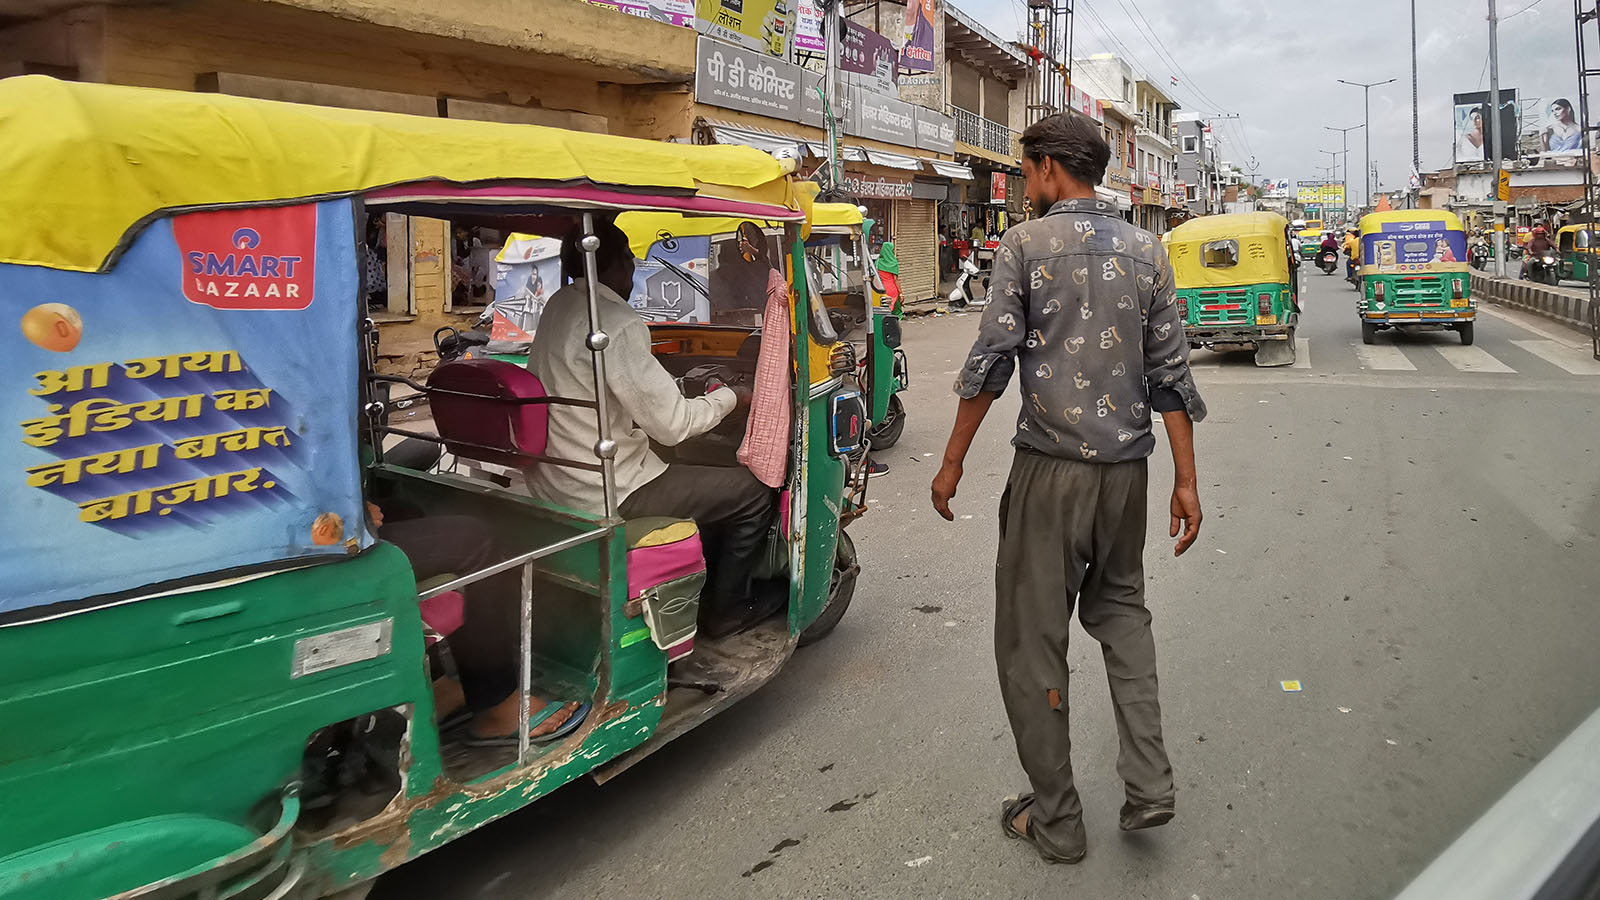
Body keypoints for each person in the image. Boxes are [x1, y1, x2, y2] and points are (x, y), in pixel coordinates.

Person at [930, 112, 1204, 865]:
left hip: (1050, 474)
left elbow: (990, 361)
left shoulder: (1025, 245)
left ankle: (1056, 818)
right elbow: (1170, 377)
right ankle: (1148, 781)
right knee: (1123, 614)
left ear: (1051, 168)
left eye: (1027, 172)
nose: (1025, 185)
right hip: (1127, 478)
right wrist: (1186, 482)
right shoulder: (1149, 250)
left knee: (1032, 643)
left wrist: (951, 462)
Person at [525, 219, 779, 636]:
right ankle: (727, 610)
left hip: (561, 478)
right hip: (610, 490)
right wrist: (734, 396)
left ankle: (702, 581)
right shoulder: (615, 320)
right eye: (629, 260)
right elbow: (675, 425)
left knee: (695, 472)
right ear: (615, 265)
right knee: (752, 491)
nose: (632, 270)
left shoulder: (558, 305)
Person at [371, 502, 585, 745]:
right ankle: (498, 707)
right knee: (476, 541)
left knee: (404, 511)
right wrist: (346, 512)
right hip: (325, 552)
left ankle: (438, 688)